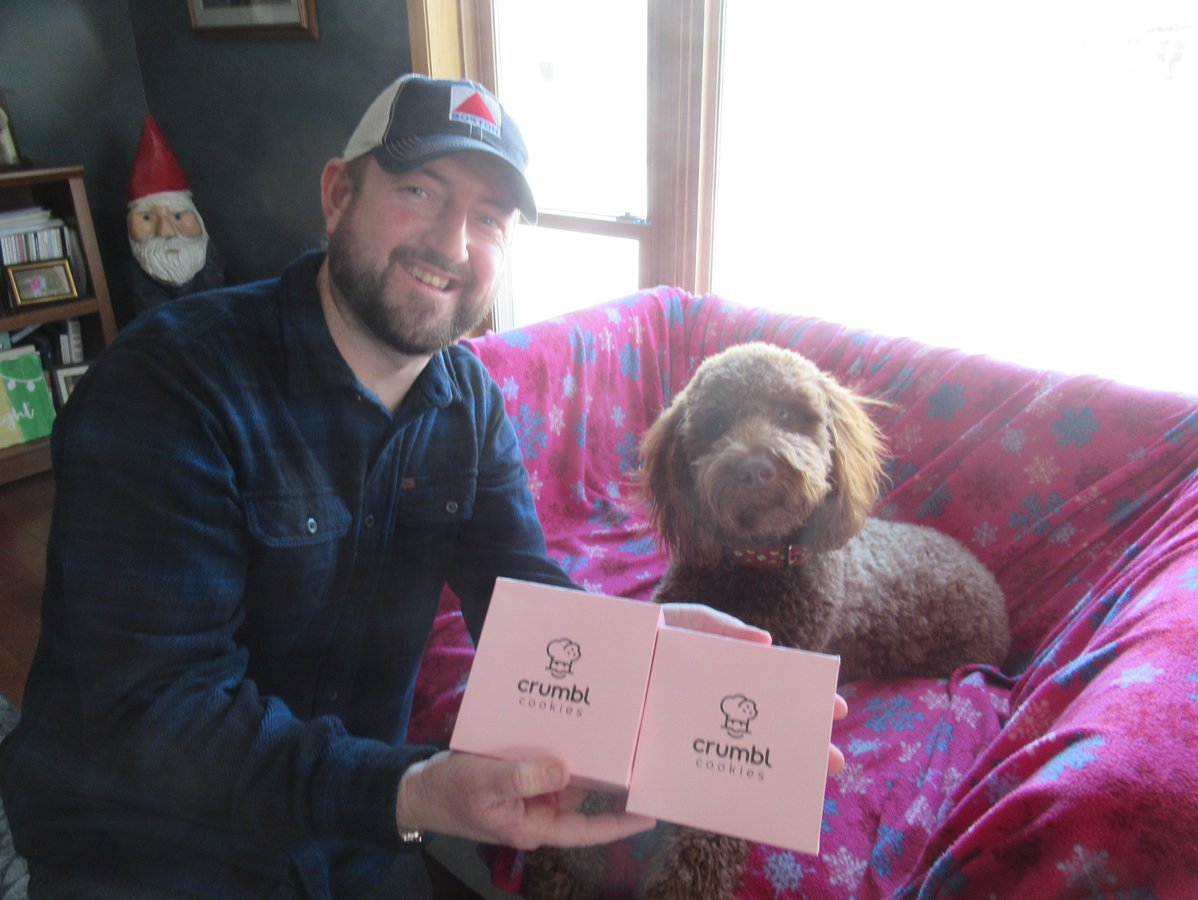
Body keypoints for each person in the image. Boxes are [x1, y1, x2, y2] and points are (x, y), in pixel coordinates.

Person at [0, 74, 845, 899]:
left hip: (354, 838)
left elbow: (521, 598)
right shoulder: (168, 386)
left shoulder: (469, 403)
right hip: (151, 843)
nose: (452, 243)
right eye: (420, 191)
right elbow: (156, 713)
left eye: (490, 217)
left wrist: (639, 654)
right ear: (338, 195)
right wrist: (415, 791)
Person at [126, 114, 225, 314]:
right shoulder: (138, 275)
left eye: (178, 216)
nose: (166, 232)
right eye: (147, 218)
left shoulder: (210, 261)